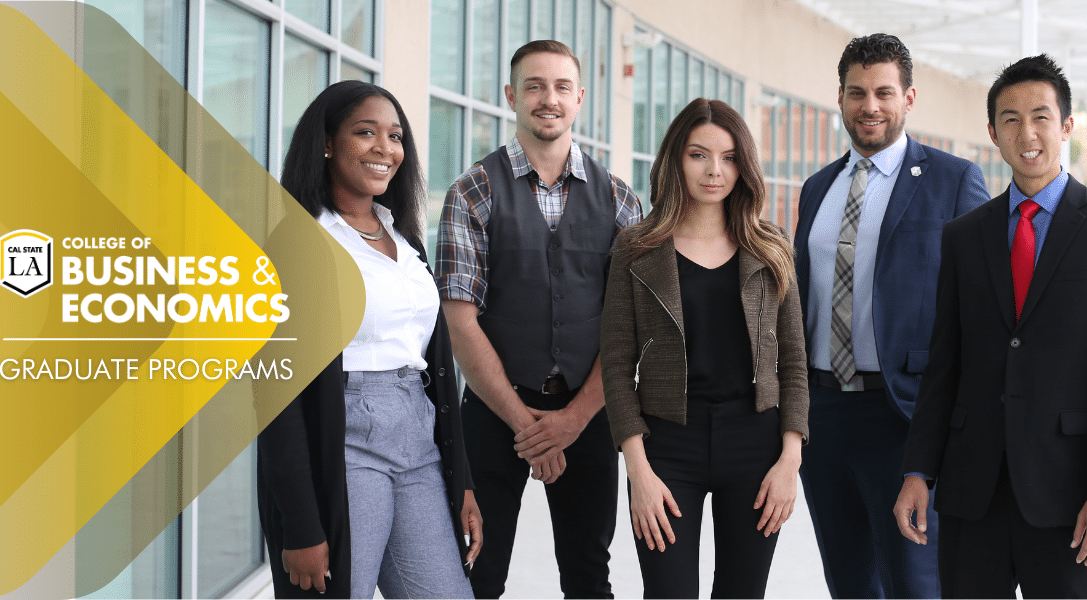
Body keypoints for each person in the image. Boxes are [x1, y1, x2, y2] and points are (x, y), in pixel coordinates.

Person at [895, 54, 1087, 598]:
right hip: (972, 493)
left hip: (1074, 498)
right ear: (992, 132)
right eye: (1010, 119)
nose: (1026, 133)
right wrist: (919, 472)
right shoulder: (963, 235)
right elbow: (945, 364)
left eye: (1040, 117)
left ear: (1067, 126)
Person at [256, 81, 482, 599]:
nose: (386, 148)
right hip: (344, 441)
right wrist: (302, 527)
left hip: (418, 443)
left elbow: (436, 372)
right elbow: (274, 396)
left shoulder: (406, 243)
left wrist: (462, 478)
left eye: (395, 136)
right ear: (328, 144)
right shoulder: (298, 242)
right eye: (366, 132)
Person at [434, 40, 641, 599]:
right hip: (494, 411)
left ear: (579, 99)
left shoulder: (622, 201)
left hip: (589, 413)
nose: (548, 99)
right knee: (476, 572)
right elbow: (460, 321)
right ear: (511, 96)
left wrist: (571, 421)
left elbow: (629, 329)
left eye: (560, 87)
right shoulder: (471, 192)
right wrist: (530, 429)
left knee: (588, 575)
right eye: (533, 86)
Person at [793, 33, 988, 598]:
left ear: (909, 98)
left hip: (904, 417)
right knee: (849, 581)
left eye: (883, 92)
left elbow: (977, 308)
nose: (869, 106)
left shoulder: (953, 181)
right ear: (840, 98)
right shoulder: (817, 188)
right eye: (857, 93)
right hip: (822, 417)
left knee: (914, 584)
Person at [600, 98, 809, 599]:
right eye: (699, 155)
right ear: (675, 159)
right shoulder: (637, 247)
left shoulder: (770, 245)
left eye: (730, 157)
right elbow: (615, 364)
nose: (715, 170)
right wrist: (639, 471)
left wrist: (789, 460)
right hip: (668, 446)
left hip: (755, 444)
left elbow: (793, 362)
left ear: (745, 166)